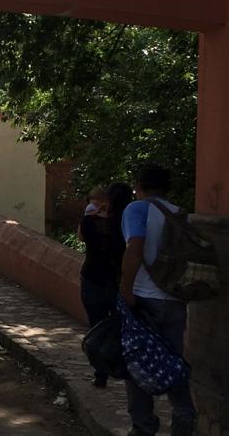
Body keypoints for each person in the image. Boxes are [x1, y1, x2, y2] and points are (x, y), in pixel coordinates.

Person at [120, 163, 196, 436]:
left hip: (144, 298)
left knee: (138, 363)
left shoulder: (136, 209)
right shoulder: (179, 213)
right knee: (173, 362)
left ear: (138, 185)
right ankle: (184, 419)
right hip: (174, 299)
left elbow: (134, 249)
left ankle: (143, 427)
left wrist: (125, 290)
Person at [79, 181, 133, 387]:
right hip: (118, 281)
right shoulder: (126, 226)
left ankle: (100, 373)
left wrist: (97, 212)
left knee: (97, 325)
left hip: (92, 279)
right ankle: (122, 367)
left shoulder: (89, 222)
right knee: (123, 326)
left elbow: (81, 237)